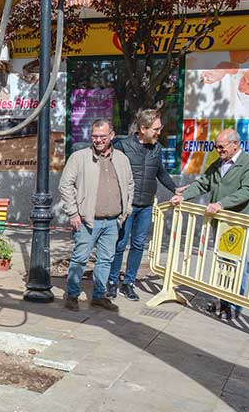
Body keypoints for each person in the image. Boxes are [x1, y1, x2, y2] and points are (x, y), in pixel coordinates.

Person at [170, 128, 249, 320]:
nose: (218, 150)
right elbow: (203, 183)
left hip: (237, 222)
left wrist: (221, 204)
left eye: (221, 146)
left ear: (235, 144)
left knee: (236, 264)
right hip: (220, 222)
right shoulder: (218, 163)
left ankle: (235, 305)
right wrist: (183, 197)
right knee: (222, 262)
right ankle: (222, 301)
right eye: (216, 146)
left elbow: (247, 191)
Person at [59, 119, 134, 312]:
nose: (98, 140)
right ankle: (72, 295)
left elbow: (130, 185)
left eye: (102, 136)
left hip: (113, 221)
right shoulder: (79, 157)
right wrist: (73, 212)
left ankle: (99, 296)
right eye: (95, 136)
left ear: (112, 136)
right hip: (87, 221)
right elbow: (65, 185)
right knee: (80, 259)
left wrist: (126, 211)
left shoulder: (122, 159)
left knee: (105, 260)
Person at [107, 109, 177, 301]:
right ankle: (112, 282)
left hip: (145, 205)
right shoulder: (122, 146)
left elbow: (160, 173)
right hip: (126, 206)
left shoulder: (157, 148)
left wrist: (175, 189)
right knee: (120, 244)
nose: (159, 132)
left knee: (138, 245)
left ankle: (128, 283)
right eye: (156, 129)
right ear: (143, 129)